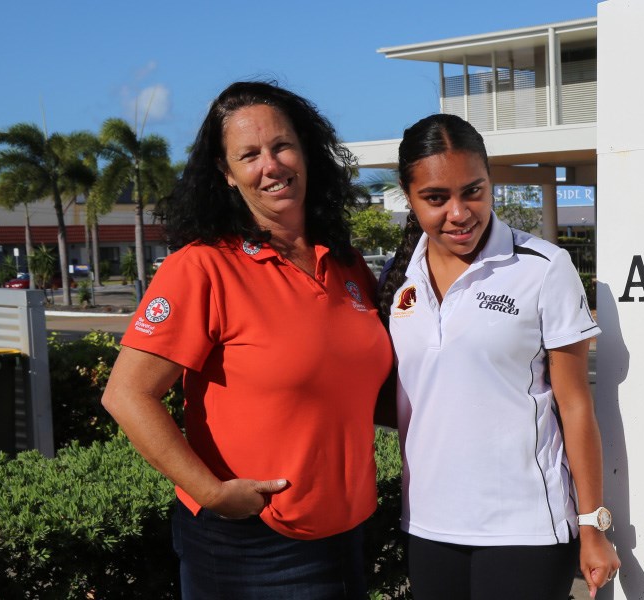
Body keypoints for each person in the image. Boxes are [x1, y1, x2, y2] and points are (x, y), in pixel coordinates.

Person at [101, 81, 390, 599]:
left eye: (281, 146)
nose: (271, 165)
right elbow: (126, 394)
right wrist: (212, 493)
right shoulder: (203, 267)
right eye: (249, 155)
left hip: (347, 532)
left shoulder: (345, 265)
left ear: (306, 151)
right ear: (226, 173)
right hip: (251, 545)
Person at [377, 113, 620, 599]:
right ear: (409, 197)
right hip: (428, 521)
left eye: (474, 191)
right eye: (436, 198)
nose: (460, 212)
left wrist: (593, 526)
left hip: (524, 526)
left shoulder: (544, 267)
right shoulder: (399, 279)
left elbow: (575, 405)